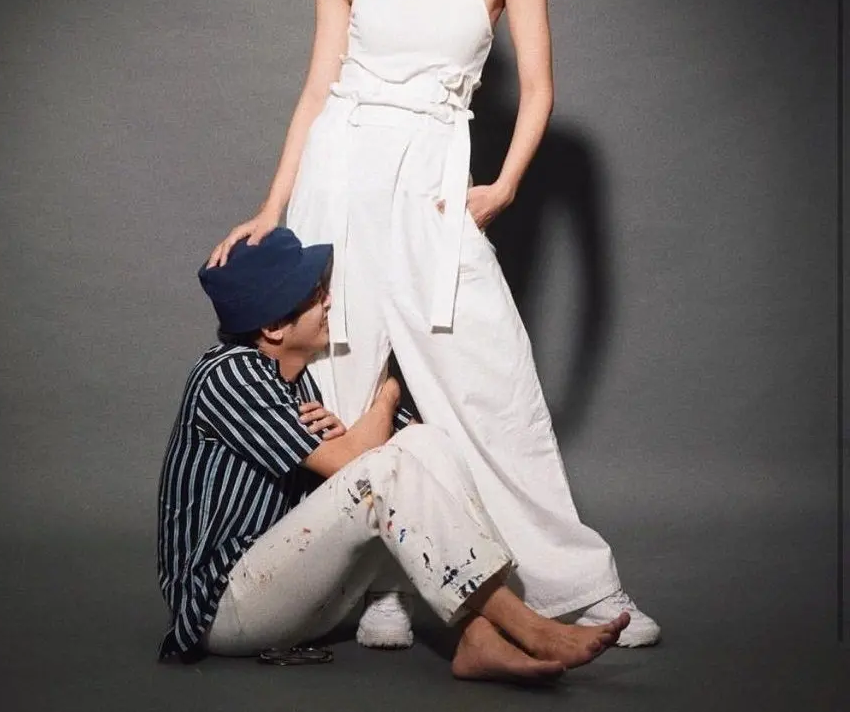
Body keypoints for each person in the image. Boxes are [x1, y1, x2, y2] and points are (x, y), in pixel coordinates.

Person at [206, 0, 660, 647]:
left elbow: (540, 90)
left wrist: (506, 185)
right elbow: (316, 91)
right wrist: (273, 207)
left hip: (431, 182)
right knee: (345, 385)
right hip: (341, 175)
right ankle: (387, 587)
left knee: (488, 385)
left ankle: (582, 591)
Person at [158, 226, 629, 684]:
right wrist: (387, 394)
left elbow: (407, 449)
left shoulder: (302, 381)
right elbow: (356, 463)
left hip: (296, 594)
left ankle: (478, 636)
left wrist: (361, 437)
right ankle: (529, 627)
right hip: (225, 607)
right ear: (273, 326)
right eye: (313, 296)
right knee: (381, 469)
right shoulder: (227, 374)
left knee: (425, 443)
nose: (328, 301)